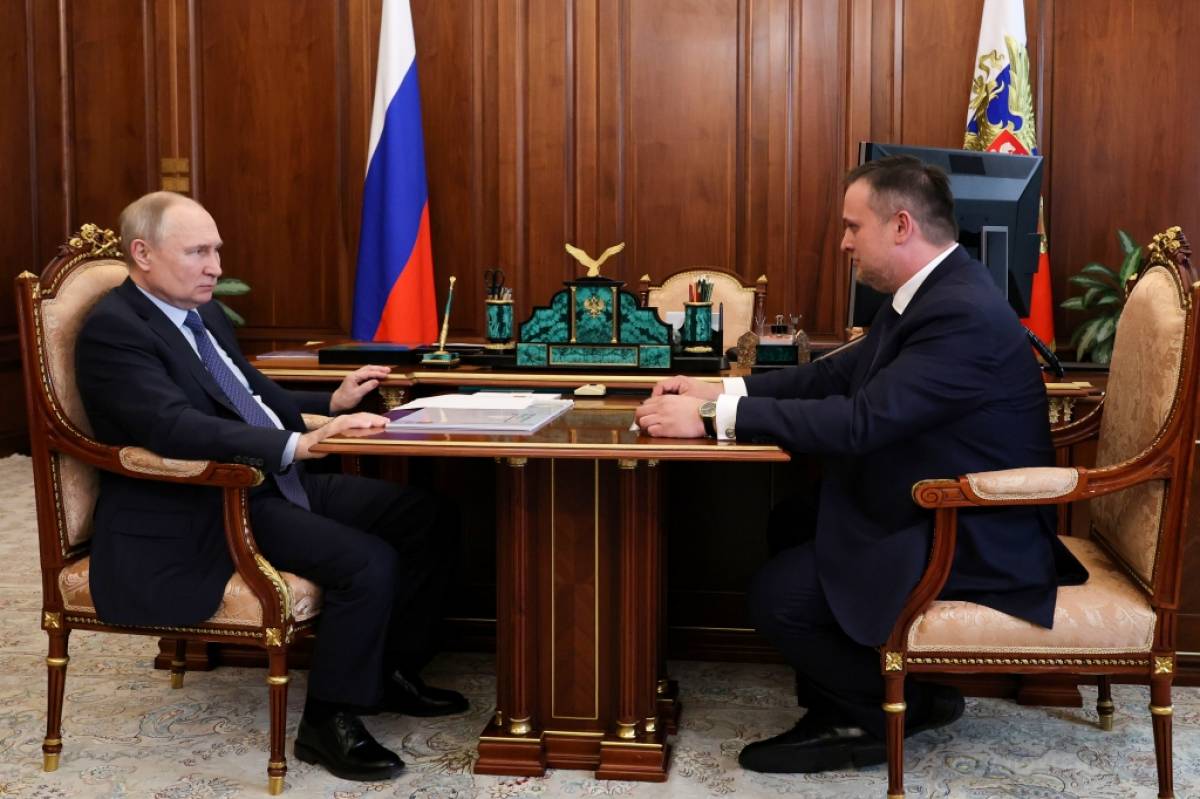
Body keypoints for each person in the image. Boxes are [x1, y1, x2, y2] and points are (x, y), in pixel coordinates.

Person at [634, 155, 1087, 773]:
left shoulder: (960, 312)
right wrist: (720, 391)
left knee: (776, 599)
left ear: (901, 225)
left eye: (853, 227)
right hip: (930, 500)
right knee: (794, 518)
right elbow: (834, 376)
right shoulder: (932, 292)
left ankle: (889, 710)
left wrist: (713, 420)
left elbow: (862, 421)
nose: (844, 243)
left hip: (973, 530)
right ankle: (840, 701)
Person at [76, 191, 468, 782]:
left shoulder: (201, 314)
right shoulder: (115, 330)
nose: (215, 267)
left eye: (217, 251)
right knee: (366, 561)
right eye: (198, 252)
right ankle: (328, 723)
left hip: (264, 480)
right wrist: (296, 445)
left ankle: (388, 671)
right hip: (208, 500)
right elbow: (172, 427)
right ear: (143, 254)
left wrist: (331, 404)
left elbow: (250, 394)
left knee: (426, 514)